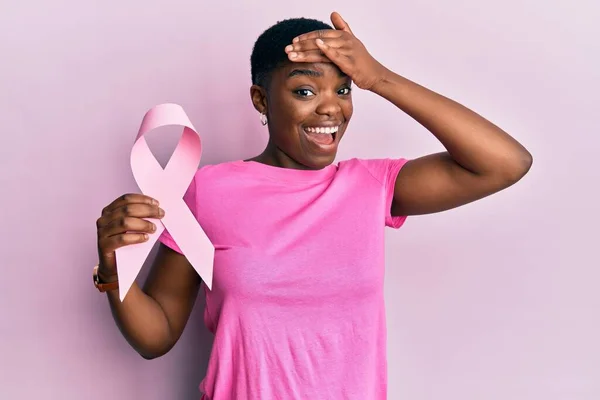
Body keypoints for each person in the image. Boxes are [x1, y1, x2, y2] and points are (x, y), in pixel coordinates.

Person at [94, 12, 532, 400]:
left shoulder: (371, 185)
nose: (331, 108)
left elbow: (505, 163)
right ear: (262, 101)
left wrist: (379, 78)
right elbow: (156, 334)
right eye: (305, 91)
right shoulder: (209, 191)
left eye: (343, 89)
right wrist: (115, 272)